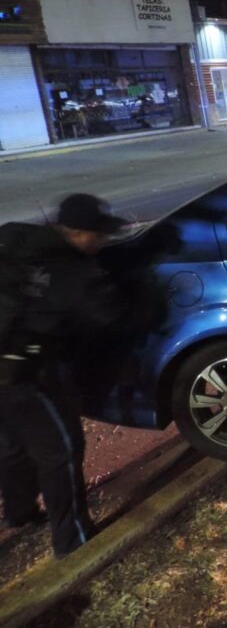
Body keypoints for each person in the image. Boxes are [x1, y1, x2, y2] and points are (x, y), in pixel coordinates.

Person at [0, 193, 127, 558]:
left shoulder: (17, 241)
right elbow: (109, 315)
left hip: (7, 371)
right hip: (24, 374)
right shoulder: (71, 270)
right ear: (75, 232)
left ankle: (20, 513)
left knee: (11, 445)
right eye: (97, 235)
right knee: (61, 451)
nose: (101, 241)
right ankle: (73, 540)